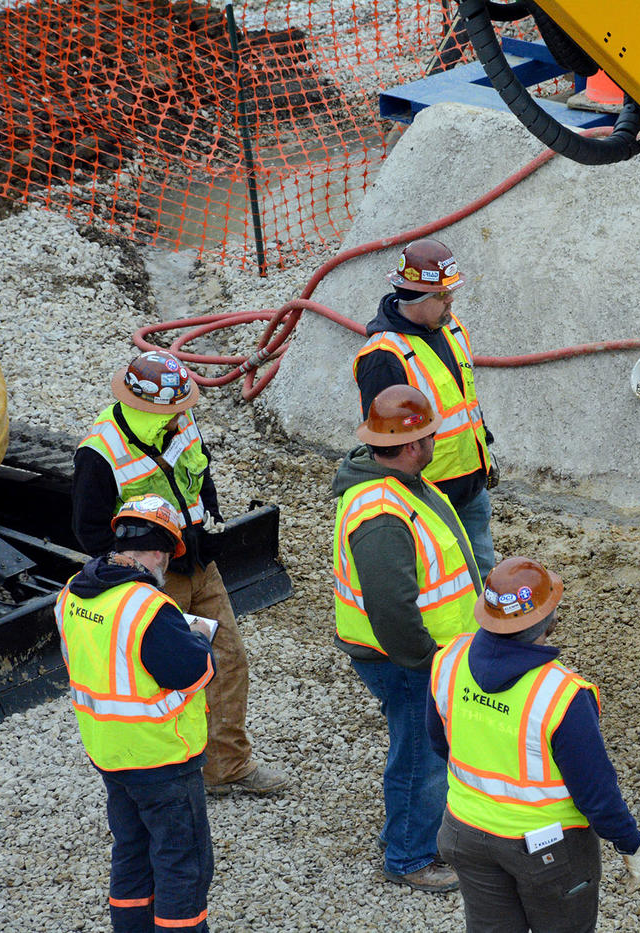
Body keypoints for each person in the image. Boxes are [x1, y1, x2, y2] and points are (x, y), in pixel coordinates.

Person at [73, 349, 289, 796]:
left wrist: (210, 520)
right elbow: (90, 531)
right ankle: (169, 771)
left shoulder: (180, 420)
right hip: (151, 583)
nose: (181, 417)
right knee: (162, 679)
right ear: (143, 407)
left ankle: (226, 766)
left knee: (228, 662)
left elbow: (200, 473)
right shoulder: (100, 452)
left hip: (198, 564)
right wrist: (136, 577)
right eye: (171, 411)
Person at [429, 556, 640, 932]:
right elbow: (595, 792)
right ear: (550, 619)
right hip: (547, 852)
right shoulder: (562, 695)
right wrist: (628, 842)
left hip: (464, 833)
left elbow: (439, 743)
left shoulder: (448, 660)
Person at [332, 384, 480, 893]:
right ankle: (410, 857)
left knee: (418, 750)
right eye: (432, 434)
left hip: (414, 655)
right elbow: (390, 606)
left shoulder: (403, 485)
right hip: (407, 659)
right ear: (414, 444)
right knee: (421, 757)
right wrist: (425, 660)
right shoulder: (382, 512)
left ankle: (405, 832)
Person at [55, 495, 216, 933]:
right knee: (183, 866)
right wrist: (198, 636)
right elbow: (195, 672)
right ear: (162, 552)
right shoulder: (148, 608)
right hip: (160, 758)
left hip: (110, 753)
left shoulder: (73, 592)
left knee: (131, 853)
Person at [354, 238, 498, 583]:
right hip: (428, 497)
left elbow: (465, 403)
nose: (451, 299)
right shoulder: (384, 356)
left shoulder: (451, 327)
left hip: (471, 487)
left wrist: (484, 453)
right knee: (443, 585)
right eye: (441, 294)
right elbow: (385, 444)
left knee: (481, 576)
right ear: (414, 299)